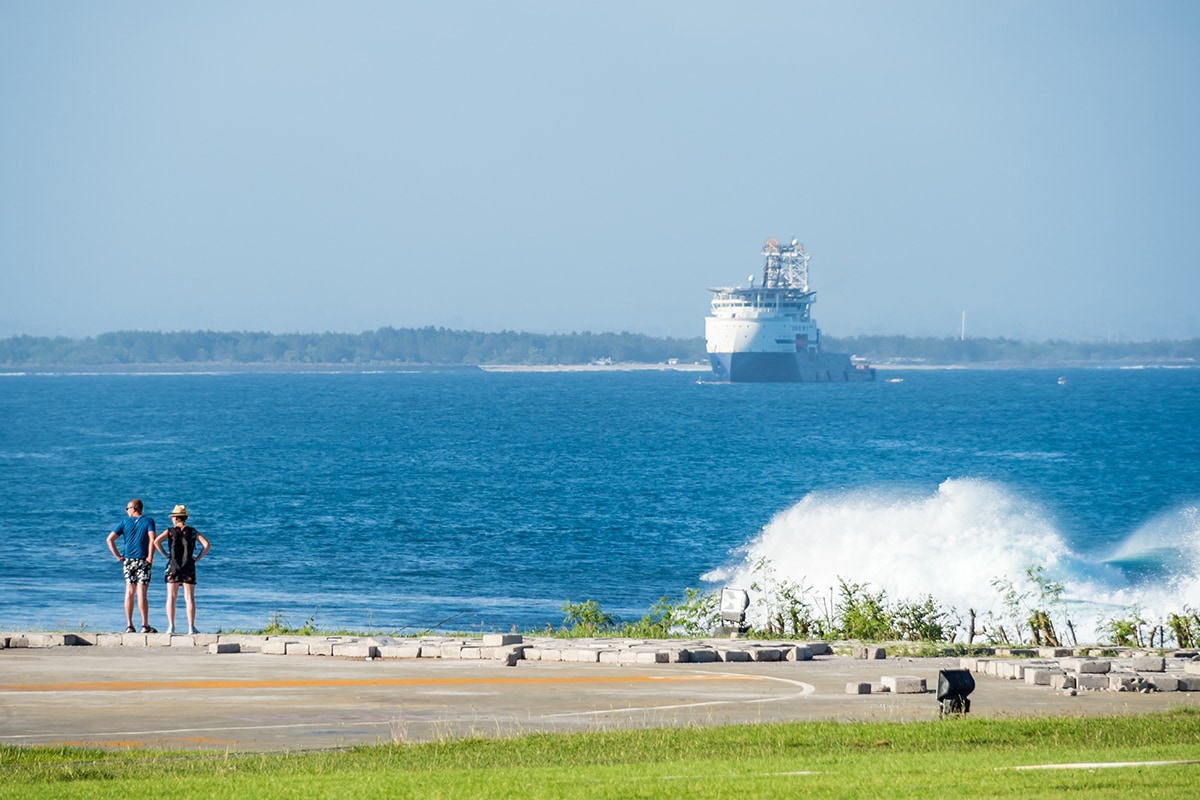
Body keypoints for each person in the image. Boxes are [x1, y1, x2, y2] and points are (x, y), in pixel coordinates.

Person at [153, 504, 210, 635]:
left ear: (175, 518)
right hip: (188, 566)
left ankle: (171, 626)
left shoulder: (170, 531)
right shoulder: (193, 531)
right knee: (189, 598)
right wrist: (197, 558)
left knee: (171, 598)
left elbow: (156, 542)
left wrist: (166, 554)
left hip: (173, 566)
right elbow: (206, 545)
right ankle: (191, 627)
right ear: (184, 518)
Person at [105, 498, 157, 633]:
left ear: (134, 508)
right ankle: (145, 625)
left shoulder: (124, 523)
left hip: (128, 560)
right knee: (142, 593)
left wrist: (118, 556)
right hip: (143, 560)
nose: (127, 511)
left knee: (129, 591)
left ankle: (129, 625)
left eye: (128, 508)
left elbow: (109, 539)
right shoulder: (148, 521)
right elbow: (152, 539)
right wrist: (151, 556)